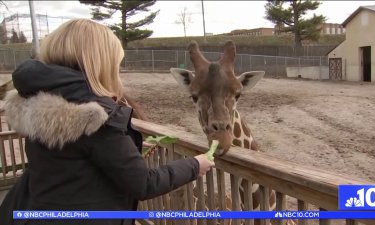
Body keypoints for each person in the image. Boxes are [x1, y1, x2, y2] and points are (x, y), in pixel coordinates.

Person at [0, 19, 215, 225]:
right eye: (114, 63)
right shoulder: (94, 117)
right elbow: (144, 183)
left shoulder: (36, 102)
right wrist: (195, 165)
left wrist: (123, 146)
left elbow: (75, 159)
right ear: (98, 63)